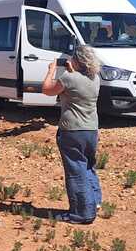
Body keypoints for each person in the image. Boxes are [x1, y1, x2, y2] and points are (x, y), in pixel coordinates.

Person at [42, 45, 102, 224]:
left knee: (75, 170)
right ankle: (94, 202)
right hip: (91, 129)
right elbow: (77, 86)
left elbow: (47, 89)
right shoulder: (95, 77)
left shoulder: (69, 77)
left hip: (72, 130)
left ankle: (82, 213)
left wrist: (51, 71)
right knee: (88, 165)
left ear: (77, 60)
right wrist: (72, 70)